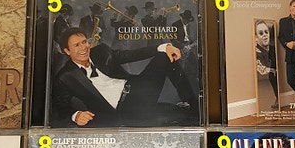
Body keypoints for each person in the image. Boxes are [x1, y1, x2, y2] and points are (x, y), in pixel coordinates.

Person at [52, 27, 197, 127]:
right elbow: (60, 108)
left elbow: (131, 55)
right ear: (67, 51)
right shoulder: (65, 77)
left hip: (137, 89)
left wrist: (162, 47)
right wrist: (76, 115)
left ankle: (193, 103)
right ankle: (184, 111)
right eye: (77, 45)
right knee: (178, 114)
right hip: (124, 110)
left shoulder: (101, 51)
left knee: (165, 56)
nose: (83, 48)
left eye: (84, 42)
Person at [255, 20, 278, 108]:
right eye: (261, 33)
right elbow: (261, 68)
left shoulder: (273, 48)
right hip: (268, 71)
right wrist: (272, 70)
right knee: (272, 77)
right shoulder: (257, 52)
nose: (265, 35)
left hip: (274, 66)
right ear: (256, 38)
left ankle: (278, 98)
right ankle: (277, 98)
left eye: (266, 32)